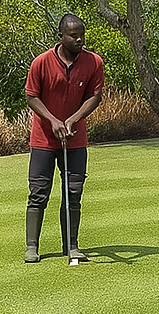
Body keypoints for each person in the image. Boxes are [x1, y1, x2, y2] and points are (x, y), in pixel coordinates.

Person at [23, 14, 104, 263]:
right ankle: (32, 247)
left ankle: (71, 246)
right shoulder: (41, 63)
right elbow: (31, 96)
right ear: (61, 36)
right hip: (44, 140)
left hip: (75, 140)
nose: (79, 39)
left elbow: (95, 96)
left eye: (82, 34)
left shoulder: (94, 62)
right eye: (73, 35)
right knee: (38, 192)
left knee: (73, 192)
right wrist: (54, 121)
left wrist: (73, 119)